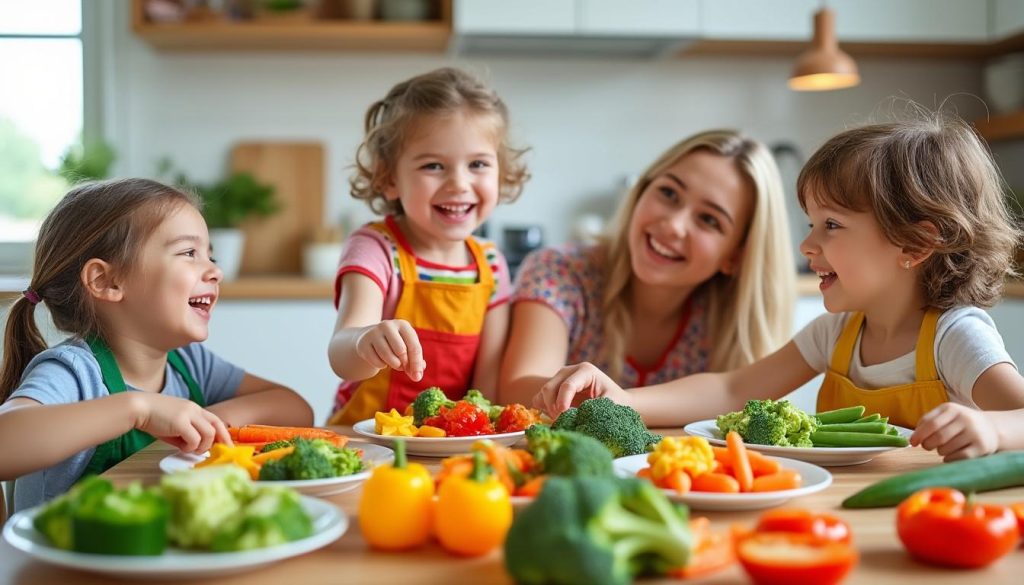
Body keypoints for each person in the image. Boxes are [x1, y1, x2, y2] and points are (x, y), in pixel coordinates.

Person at [536, 110, 1024, 462]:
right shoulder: (837, 332)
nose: (807, 245)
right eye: (811, 224)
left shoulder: (953, 337)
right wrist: (623, 399)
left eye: (831, 225)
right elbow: (733, 388)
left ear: (915, 244)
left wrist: (991, 428)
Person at [0, 178, 313, 511]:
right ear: (106, 281)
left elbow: (296, 408)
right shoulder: (75, 372)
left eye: (211, 256)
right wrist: (139, 410)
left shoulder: (189, 363)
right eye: (189, 253)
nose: (215, 272)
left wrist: (212, 419)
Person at [498, 130, 796, 406]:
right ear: (641, 191)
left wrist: (622, 402)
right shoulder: (559, 272)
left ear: (736, 256)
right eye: (669, 193)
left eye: (709, 220)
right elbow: (516, 389)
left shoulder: (732, 324)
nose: (674, 225)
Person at [326, 67, 529, 424]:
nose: (459, 184)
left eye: (478, 164)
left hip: (452, 442)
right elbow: (341, 355)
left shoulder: (492, 264)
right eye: (433, 166)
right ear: (389, 179)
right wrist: (363, 342)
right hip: (366, 439)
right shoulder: (376, 248)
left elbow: (488, 386)